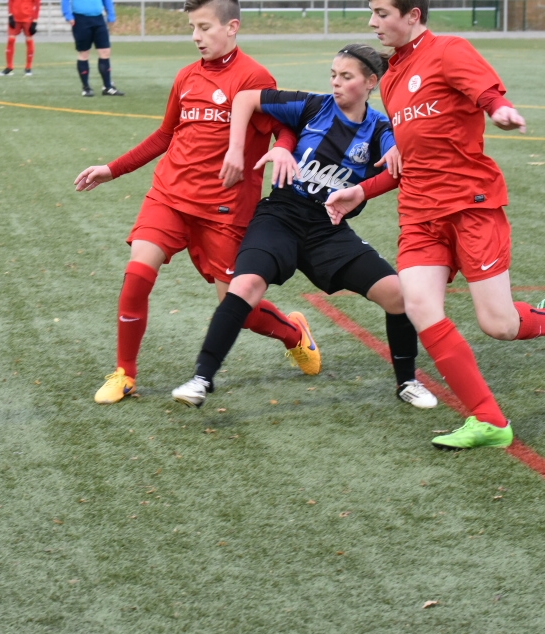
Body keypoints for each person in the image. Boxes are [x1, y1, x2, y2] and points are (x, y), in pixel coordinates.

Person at [324, 0, 545, 450]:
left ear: (413, 15)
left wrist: (499, 109)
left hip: (470, 207)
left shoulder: (448, 50)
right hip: (419, 214)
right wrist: (361, 191)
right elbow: (410, 157)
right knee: (419, 305)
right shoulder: (391, 78)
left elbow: (486, 91)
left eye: (383, 13)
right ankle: (488, 420)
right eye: (372, 12)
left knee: (498, 324)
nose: (373, 22)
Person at [74, 0, 319, 405]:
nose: (196, 36)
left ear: (232, 27)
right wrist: (112, 169)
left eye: (205, 27)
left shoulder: (254, 76)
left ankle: (294, 333)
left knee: (239, 308)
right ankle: (125, 373)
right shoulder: (187, 76)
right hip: (168, 196)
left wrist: (282, 149)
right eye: (193, 27)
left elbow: (285, 127)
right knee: (136, 276)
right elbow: (165, 134)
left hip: (224, 209)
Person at [171, 44, 437, 411]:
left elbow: (399, 161)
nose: (336, 82)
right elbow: (246, 98)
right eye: (333, 75)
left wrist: (394, 151)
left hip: (328, 229)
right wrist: (244, 148)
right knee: (244, 286)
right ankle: (201, 378)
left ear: (370, 82)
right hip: (280, 216)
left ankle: (407, 381)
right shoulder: (313, 106)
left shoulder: (379, 128)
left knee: (397, 295)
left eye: (346, 76)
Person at [62, 0, 123, 96]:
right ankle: (86, 88)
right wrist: (68, 15)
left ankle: (107, 87)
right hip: (80, 19)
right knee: (84, 53)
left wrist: (111, 14)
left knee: (105, 51)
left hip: (98, 19)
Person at [0, 0, 40, 76]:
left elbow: (37, 4)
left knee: (29, 40)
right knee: (11, 40)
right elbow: (10, 1)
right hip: (15, 18)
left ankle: (28, 68)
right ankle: (9, 67)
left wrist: (35, 21)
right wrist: (10, 15)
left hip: (28, 18)